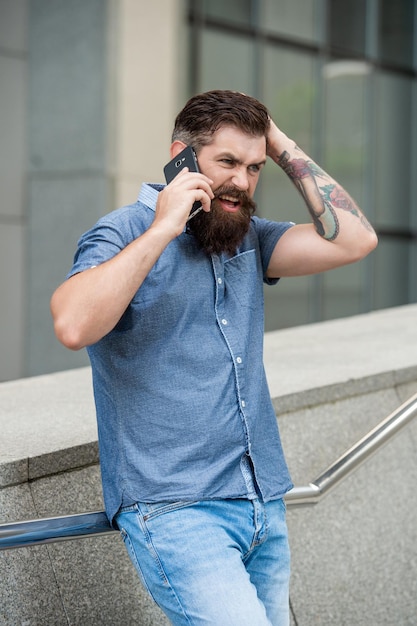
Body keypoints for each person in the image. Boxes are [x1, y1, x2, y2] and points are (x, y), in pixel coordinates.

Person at [50, 90, 377, 625]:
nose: (243, 182)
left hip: (263, 505)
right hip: (178, 513)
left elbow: (355, 240)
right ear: (181, 155)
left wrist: (280, 144)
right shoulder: (123, 232)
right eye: (227, 162)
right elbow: (73, 324)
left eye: (253, 167)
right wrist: (163, 227)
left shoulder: (247, 238)